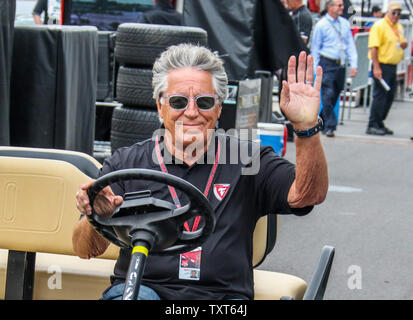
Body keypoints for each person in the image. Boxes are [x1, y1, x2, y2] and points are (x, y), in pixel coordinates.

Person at [73, 44, 329, 300]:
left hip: (221, 298)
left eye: (205, 102)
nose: (192, 112)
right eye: (178, 101)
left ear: (218, 108)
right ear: (160, 106)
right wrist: (99, 217)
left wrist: (305, 127)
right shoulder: (126, 164)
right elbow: (84, 250)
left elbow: (307, 195)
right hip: (142, 291)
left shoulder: (248, 159)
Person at [310, 0, 358, 137]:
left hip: (340, 64)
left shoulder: (344, 23)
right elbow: (315, 47)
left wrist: (353, 64)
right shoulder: (322, 25)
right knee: (327, 93)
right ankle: (331, 125)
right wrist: (316, 68)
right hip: (327, 62)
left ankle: (321, 121)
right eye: (339, 5)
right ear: (330, 7)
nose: (342, 8)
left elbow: (350, 45)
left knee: (335, 93)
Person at [366, 1, 407, 136]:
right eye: (393, 13)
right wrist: (376, 67)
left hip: (392, 65)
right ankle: (373, 124)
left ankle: (379, 122)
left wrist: (403, 44)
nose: (396, 16)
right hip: (382, 64)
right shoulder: (380, 26)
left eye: (398, 14)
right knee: (380, 96)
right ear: (387, 12)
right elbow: (373, 48)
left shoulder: (398, 27)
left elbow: (399, 42)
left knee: (389, 96)